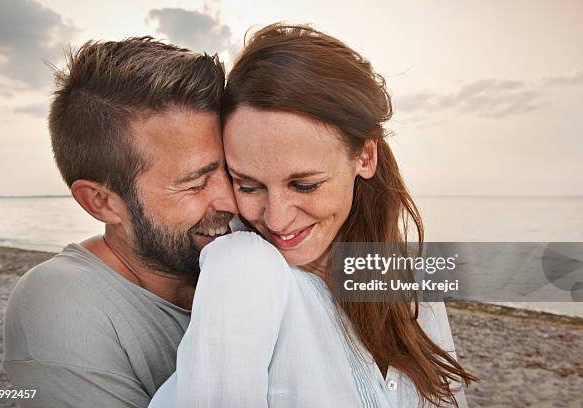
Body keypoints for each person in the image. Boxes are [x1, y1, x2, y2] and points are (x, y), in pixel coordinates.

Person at [150, 24, 477, 407]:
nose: (276, 219)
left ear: (365, 157)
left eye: (304, 185)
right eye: (249, 186)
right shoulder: (242, 268)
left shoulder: (409, 273)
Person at [3, 37, 237, 407]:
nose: (233, 200)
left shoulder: (248, 237)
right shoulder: (61, 302)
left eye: (235, 169)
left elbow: (360, 280)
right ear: (101, 202)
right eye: (195, 183)